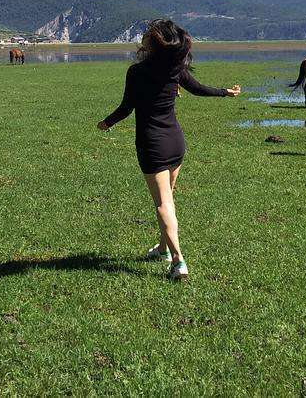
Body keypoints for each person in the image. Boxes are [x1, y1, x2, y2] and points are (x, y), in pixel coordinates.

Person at [98, 19, 240, 280]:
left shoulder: (137, 72)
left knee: (163, 203)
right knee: (169, 200)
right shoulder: (176, 70)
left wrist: (106, 123)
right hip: (176, 143)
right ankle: (163, 248)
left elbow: (126, 108)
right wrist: (225, 92)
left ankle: (178, 261)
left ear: (153, 43)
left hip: (152, 145)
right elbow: (198, 89)